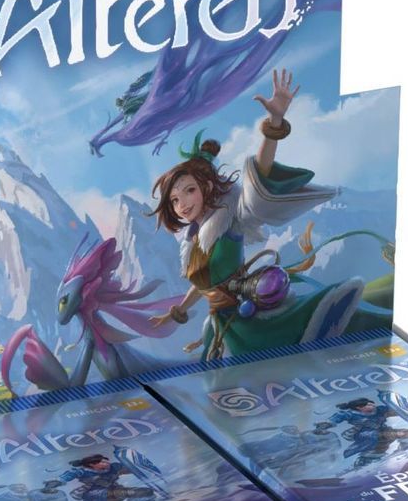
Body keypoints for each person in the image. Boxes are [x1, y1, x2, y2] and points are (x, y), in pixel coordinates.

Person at [148, 69, 368, 359]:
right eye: (175, 200)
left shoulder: (229, 220)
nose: (182, 204)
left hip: (247, 315)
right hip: (222, 321)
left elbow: (261, 174)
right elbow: (203, 286)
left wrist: (274, 123)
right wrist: (176, 312)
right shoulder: (193, 241)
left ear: (207, 187)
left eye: (189, 191)